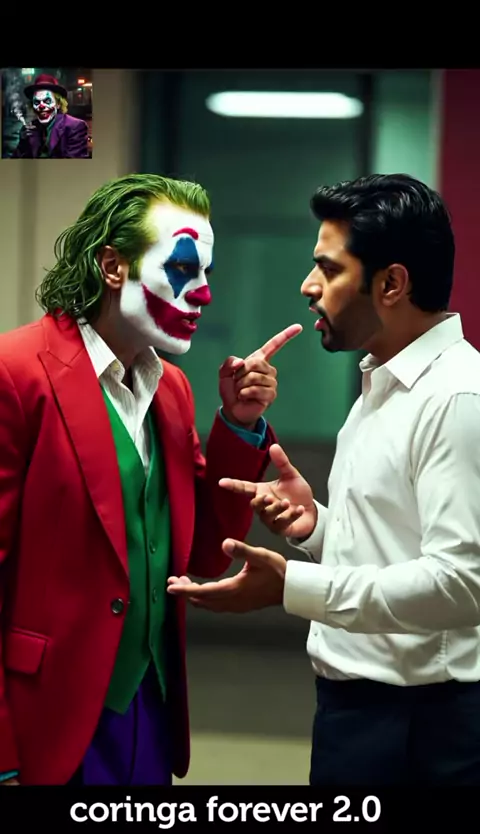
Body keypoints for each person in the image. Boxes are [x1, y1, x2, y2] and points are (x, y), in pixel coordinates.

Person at [168, 173, 480, 785]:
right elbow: (398, 544)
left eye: (329, 269)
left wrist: (294, 585)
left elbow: (462, 584)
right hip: (360, 711)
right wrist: (317, 527)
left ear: (391, 283)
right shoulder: (384, 382)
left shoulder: (456, 397)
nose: (308, 286)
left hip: (423, 728)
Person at [0, 173, 302, 785]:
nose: (205, 293)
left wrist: (239, 425)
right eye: (184, 269)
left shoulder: (173, 391)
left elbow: (200, 555)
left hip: (149, 709)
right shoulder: (16, 373)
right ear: (113, 267)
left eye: (206, 272)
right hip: (45, 713)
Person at [11, 73, 89, 159]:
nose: (41, 106)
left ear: (58, 104)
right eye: (37, 102)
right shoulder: (29, 129)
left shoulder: (75, 127)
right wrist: (23, 144)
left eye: (47, 101)